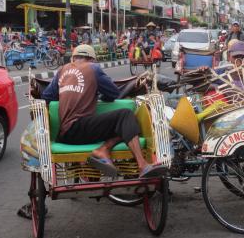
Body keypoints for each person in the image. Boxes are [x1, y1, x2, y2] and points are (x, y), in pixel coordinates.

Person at [42, 44, 167, 178]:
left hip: (65, 135)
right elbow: (113, 93)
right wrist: (97, 94)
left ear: (73, 58)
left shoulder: (62, 70)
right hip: (79, 128)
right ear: (92, 59)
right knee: (126, 115)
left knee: (124, 126)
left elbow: (47, 96)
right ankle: (142, 165)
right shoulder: (93, 69)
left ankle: (104, 149)